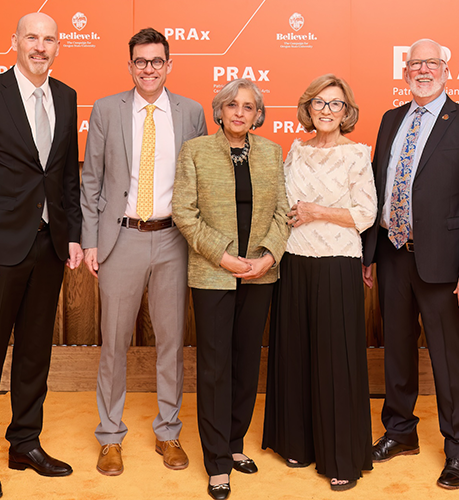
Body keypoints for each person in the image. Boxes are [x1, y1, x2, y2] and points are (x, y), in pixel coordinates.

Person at [0, 12, 82, 500]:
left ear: (57, 47)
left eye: (49, 39)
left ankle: (25, 442)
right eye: (32, 37)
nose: (41, 46)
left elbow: (65, 175)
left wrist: (71, 234)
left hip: (49, 247)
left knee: (33, 354)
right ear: (15, 42)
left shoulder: (66, 97)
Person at [361, 38, 459, 489]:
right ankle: (400, 432)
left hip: (448, 265)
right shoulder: (390, 119)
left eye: (431, 63)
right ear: (405, 71)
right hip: (394, 255)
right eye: (415, 63)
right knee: (397, 351)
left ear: (446, 69)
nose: (423, 69)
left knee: (450, 359)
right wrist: (369, 254)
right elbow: (378, 191)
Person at [80, 27, 207, 476]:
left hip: (175, 240)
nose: (148, 69)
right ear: (130, 65)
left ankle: (168, 430)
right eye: (140, 61)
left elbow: (202, 180)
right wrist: (91, 240)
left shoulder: (191, 113)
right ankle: (110, 436)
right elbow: (91, 181)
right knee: (113, 343)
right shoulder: (105, 110)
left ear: (169, 65)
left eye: (157, 61)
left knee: (171, 343)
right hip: (122, 239)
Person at [173, 78, 288, 500]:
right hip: (213, 274)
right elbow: (184, 213)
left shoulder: (273, 153)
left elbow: (282, 213)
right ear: (219, 110)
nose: (240, 112)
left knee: (245, 365)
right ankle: (217, 462)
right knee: (216, 367)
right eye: (232, 105)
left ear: (258, 114)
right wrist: (221, 255)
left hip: (259, 274)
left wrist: (268, 257)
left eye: (249, 107)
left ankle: (235, 443)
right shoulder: (196, 152)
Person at [262, 74, 376, 492]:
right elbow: (282, 203)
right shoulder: (294, 150)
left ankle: (340, 457)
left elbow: (365, 213)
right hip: (293, 260)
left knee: (335, 359)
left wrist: (317, 211)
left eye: (336, 104)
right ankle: (298, 442)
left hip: (336, 263)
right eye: (320, 103)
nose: (327, 110)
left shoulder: (357, 154)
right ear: (307, 108)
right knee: (295, 352)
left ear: (347, 113)